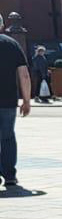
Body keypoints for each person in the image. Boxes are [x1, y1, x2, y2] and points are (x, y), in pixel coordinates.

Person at [0, 23, 31, 188]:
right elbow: (24, 75)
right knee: (7, 137)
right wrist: (26, 100)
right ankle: (9, 175)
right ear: (2, 26)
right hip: (8, 100)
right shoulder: (12, 44)